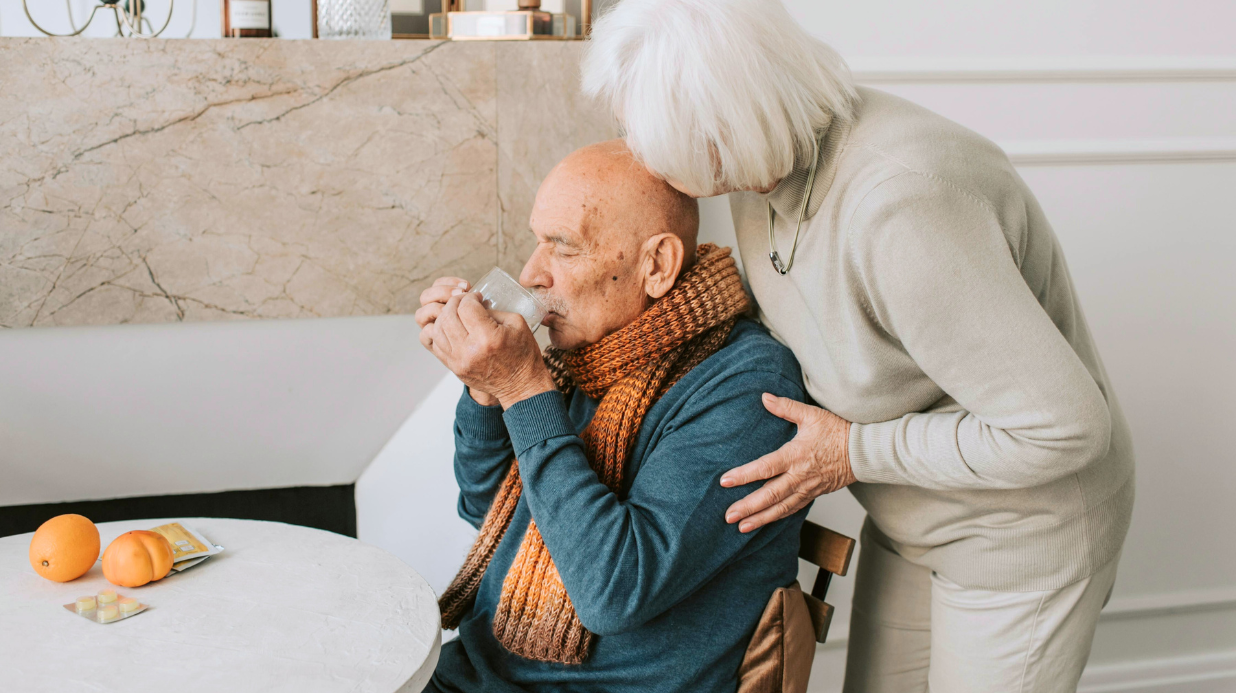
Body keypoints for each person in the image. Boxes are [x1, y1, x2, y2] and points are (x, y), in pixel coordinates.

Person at [581, 1, 1135, 691]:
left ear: (723, 125)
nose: (636, 148)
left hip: (1020, 536)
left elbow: (1067, 428)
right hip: (912, 512)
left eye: (646, 130)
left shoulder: (903, 207)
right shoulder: (758, 170)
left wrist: (851, 452)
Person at [416, 140, 810, 693]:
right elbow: (493, 513)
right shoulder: (590, 354)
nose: (532, 272)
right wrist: (486, 391)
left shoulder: (747, 389)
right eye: (537, 241)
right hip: (483, 672)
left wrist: (524, 389)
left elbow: (613, 591)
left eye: (563, 246)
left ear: (656, 264)